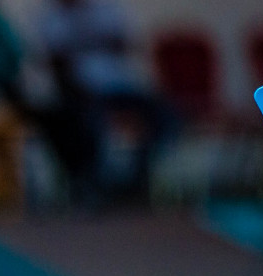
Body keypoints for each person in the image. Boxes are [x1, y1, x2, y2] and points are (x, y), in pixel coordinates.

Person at [36, 0, 177, 204]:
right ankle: (98, 184)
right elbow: (54, 61)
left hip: (121, 87)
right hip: (85, 92)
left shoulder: (108, 8)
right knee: (88, 121)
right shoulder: (53, 17)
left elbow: (129, 43)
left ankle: (139, 177)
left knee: (164, 113)